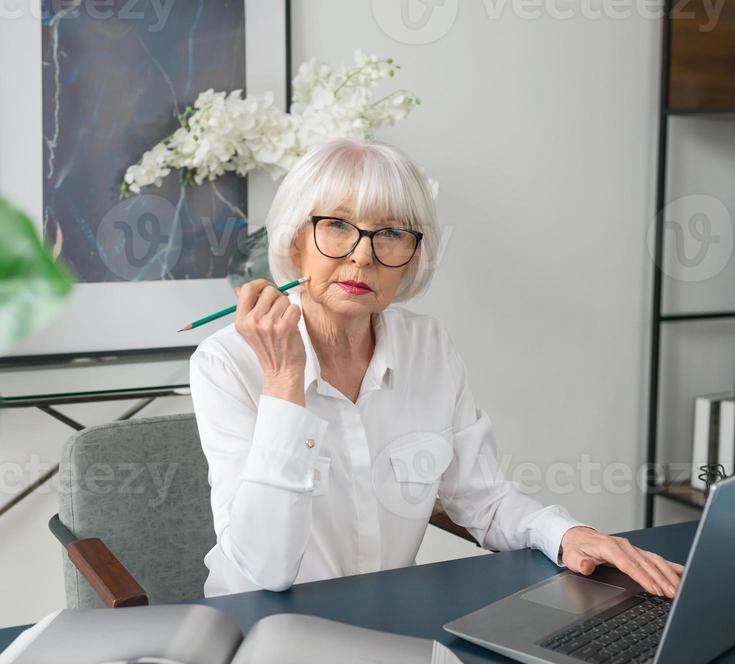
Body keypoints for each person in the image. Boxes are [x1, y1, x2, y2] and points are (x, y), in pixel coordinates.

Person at [189, 138, 684, 598]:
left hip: (383, 621)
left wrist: (569, 534)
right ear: (295, 240)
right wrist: (283, 382)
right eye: (337, 226)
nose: (363, 256)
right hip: (258, 628)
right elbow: (265, 570)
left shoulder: (428, 346)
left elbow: (481, 497)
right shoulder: (225, 362)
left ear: (412, 256)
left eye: (390, 233)